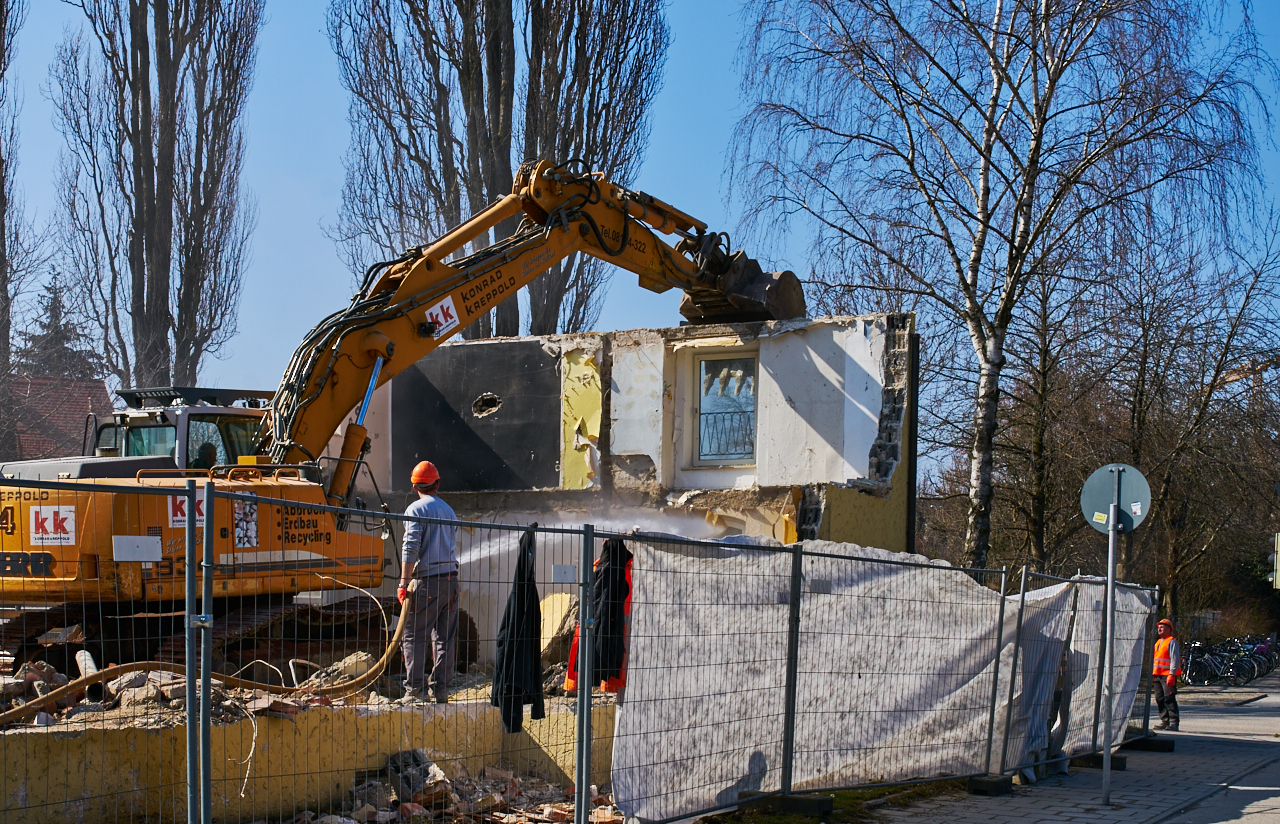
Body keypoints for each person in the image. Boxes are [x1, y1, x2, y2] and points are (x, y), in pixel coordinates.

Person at [397, 460, 460, 704]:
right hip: (451, 581)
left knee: (414, 635)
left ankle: (414, 692)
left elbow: (410, 547)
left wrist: (404, 582)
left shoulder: (416, 509)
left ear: (415, 487)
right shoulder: (448, 511)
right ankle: (441, 690)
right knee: (445, 638)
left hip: (429, 581)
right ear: (437, 484)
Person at [1153, 618, 1180, 731]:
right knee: (1159, 698)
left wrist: (1172, 674)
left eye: (1162, 627)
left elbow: (1174, 659)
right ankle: (1165, 720)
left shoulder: (1172, 642)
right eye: (1159, 627)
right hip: (1157, 675)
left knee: (1169, 698)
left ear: (1169, 629)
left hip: (1167, 675)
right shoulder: (1158, 642)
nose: (1159, 628)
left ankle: (1173, 722)